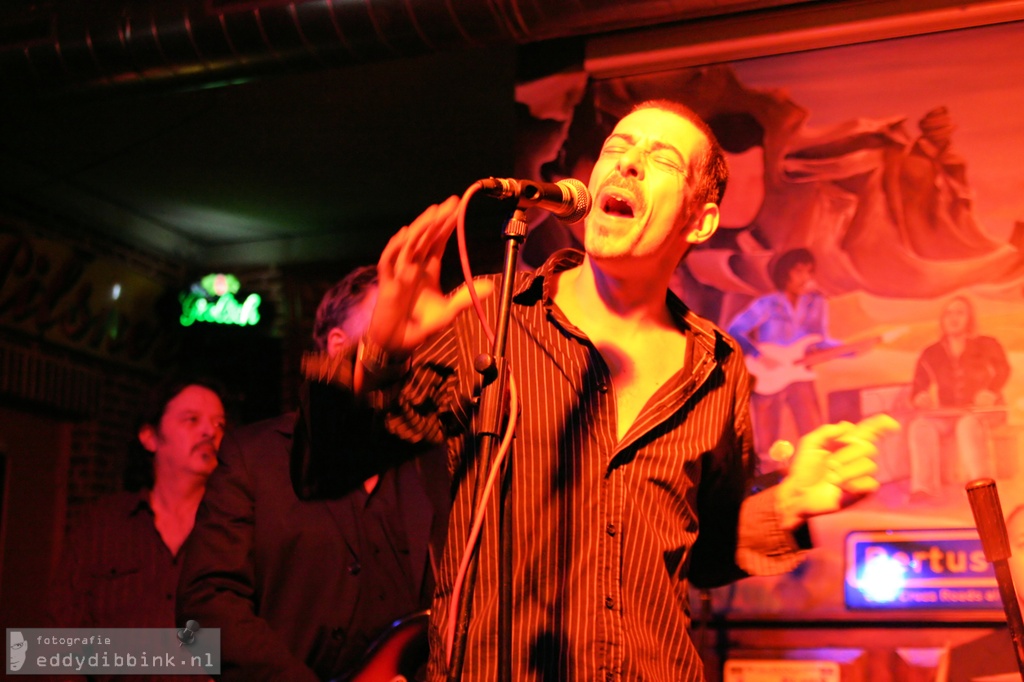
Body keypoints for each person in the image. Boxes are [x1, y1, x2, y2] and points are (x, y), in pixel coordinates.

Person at [306, 99, 893, 681]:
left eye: (660, 159)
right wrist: (381, 350)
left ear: (701, 219)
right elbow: (325, 469)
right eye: (616, 149)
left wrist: (788, 504)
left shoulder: (716, 365)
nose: (628, 164)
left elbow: (704, 549)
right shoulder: (493, 314)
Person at [176, 265, 450, 681]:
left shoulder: (431, 466)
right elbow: (205, 610)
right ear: (337, 345)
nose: (407, 338)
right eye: (389, 318)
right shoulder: (254, 456)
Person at [46, 375, 226, 681]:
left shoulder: (233, 531)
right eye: (192, 420)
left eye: (219, 424)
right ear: (149, 436)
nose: (210, 431)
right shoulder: (105, 524)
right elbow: (60, 640)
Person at [727, 248, 838, 464]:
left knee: (814, 434)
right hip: (768, 374)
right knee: (768, 444)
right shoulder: (768, 304)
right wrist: (758, 355)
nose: (805, 278)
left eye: (809, 272)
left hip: (799, 373)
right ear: (784, 273)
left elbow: (821, 340)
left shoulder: (816, 304)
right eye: (798, 271)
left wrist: (849, 351)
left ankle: (815, 474)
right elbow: (735, 330)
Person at [906, 296, 1010, 503]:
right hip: (949, 412)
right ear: (942, 320)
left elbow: (1003, 371)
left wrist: (991, 391)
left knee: (968, 424)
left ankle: (982, 489)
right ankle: (924, 488)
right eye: (949, 313)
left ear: (969, 318)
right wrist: (920, 397)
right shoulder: (931, 352)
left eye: (960, 313)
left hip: (984, 412)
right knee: (920, 426)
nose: (953, 318)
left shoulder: (987, 344)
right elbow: (918, 384)